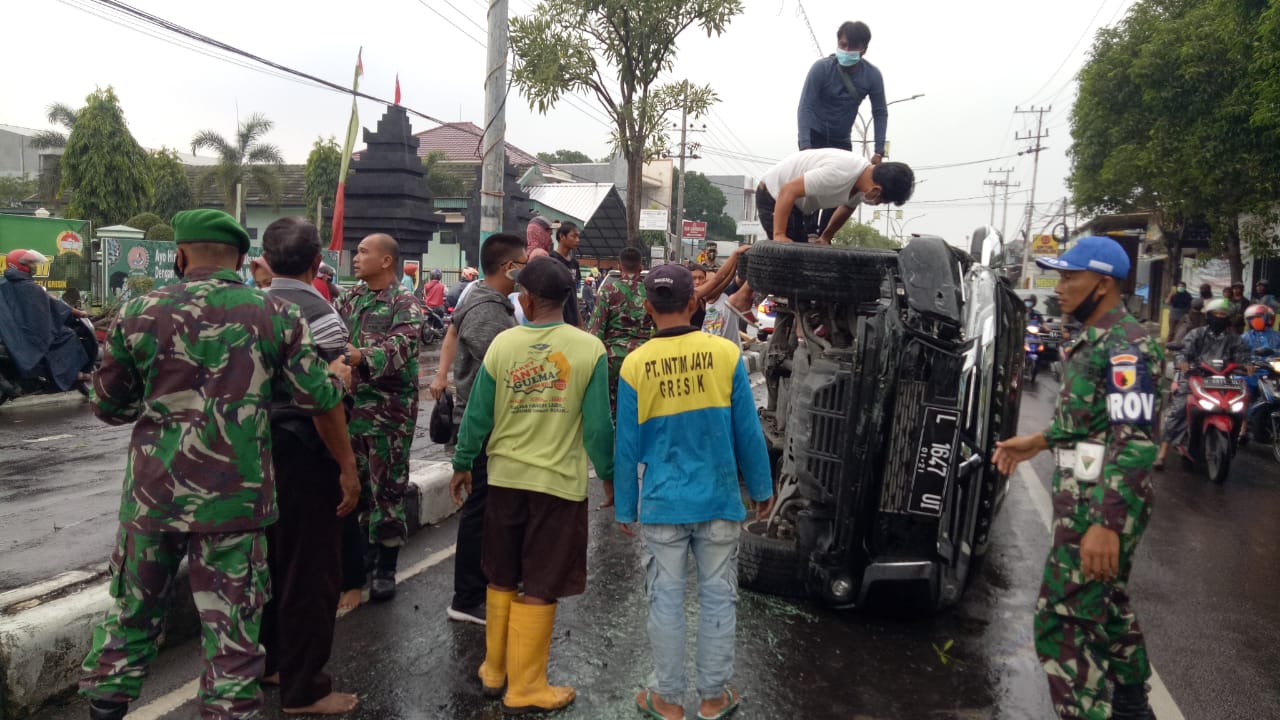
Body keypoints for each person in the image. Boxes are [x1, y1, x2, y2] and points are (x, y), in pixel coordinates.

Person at [78, 209, 350, 720]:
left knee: (133, 616)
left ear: (180, 255)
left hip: (152, 497)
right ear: (244, 259)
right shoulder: (276, 314)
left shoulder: (138, 310)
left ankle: (106, 709)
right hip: (236, 501)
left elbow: (109, 408)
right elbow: (315, 397)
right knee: (231, 631)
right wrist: (338, 374)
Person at [991, 236, 1163, 720]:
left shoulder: (1126, 346)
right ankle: (1131, 704)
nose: (1059, 286)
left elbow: (1133, 440)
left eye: (1070, 277)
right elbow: (1090, 422)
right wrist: (1038, 441)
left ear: (1103, 284)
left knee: (1061, 624)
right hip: (1087, 496)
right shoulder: (1092, 337)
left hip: (1102, 503)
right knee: (1106, 603)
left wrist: (1106, 523)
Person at [448, 256, 614, 714]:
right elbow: (599, 427)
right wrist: (612, 478)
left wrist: (463, 462)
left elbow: (478, 413)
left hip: (504, 479)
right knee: (541, 580)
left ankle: (494, 669)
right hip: (557, 485)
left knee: (501, 571)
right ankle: (527, 686)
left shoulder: (503, 344)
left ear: (525, 299)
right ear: (566, 300)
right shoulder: (589, 349)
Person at [613, 263, 774, 720]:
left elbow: (626, 445)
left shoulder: (635, 365)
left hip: (663, 502)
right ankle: (712, 697)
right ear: (695, 303)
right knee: (719, 595)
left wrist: (626, 506)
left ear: (647, 308)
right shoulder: (724, 355)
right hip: (720, 498)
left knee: (665, 597)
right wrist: (761, 487)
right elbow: (748, 430)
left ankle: (666, 698)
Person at [259, 216, 362, 715]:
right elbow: (325, 404)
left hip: (253, 453)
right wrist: (347, 464)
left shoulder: (250, 307)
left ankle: (273, 661)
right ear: (317, 262)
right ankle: (305, 689)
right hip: (304, 452)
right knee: (310, 571)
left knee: (270, 562)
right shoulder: (320, 315)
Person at [442, 233, 526, 626]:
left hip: (491, 424)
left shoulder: (493, 303)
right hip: (480, 425)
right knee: (478, 512)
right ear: (509, 267)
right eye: (522, 262)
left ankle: (486, 582)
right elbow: (507, 367)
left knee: (490, 510)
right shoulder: (485, 309)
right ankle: (467, 596)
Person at [335, 233, 424, 602]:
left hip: (389, 413)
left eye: (363, 252)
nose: (356, 258)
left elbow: (401, 345)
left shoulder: (405, 302)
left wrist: (358, 358)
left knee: (388, 488)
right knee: (359, 488)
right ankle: (366, 557)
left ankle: (386, 564)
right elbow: (327, 334)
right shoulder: (350, 298)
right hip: (352, 410)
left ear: (386, 261)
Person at [797, 20, 887, 236]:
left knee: (840, 188)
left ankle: (824, 235)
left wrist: (879, 150)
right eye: (843, 45)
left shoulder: (872, 76)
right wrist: (805, 145)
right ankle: (807, 231)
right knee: (811, 185)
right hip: (815, 137)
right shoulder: (821, 69)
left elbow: (880, 112)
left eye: (852, 47)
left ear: (863, 49)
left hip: (841, 140)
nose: (846, 51)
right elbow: (805, 106)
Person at [1154, 297, 1249, 468]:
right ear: (1209, 315)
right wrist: (1183, 362)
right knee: (1180, 409)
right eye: (1217, 314)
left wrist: (1248, 365)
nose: (1220, 317)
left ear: (1229, 318)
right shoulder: (1197, 334)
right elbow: (1183, 351)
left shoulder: (1235, 339)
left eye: (1224, 314)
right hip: (1195, 377)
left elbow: (1243, 357)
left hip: (1223, 380)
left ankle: (1235, 440)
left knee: (1239, 405)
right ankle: (1162, 452)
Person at [755, 149, 914, 243]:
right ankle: (740, 295)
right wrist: (779, 235)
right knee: (785, 258)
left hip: (795, 206)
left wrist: (826, 236)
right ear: (876, 190)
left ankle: (741, 296)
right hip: (773, 194)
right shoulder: (840, 173)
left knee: (799, 258)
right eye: (882, 201)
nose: (878, 204)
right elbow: (788, 190)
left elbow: (846, 207)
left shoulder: (862, 183)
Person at [0, 248, 91, 398]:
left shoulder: (4, 283)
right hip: (31, 333)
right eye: (30, 263)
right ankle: (72, 373)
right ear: (19, 265)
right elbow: (53, 306)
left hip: (12, 333)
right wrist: (78, 313)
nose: (33, 266)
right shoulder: (29, 287)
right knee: (68, 335)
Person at [586, 246, 654, 419]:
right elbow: (658, 329)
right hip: (644, 359)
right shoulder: (651, 294)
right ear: (640, 267)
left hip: (613, 360)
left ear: (619, 266)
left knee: (612, 413)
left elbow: (595, 332)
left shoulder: (608, 291)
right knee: (641, 411)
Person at [692, 262, 754, 351]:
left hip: (731, 355)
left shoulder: (728, 295)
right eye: (706, 283)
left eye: (712, 283)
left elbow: (739, 279)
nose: (698, 282)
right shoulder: (693, 305)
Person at [550, 221, 584, 327]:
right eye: (573, 236)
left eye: (578, 237)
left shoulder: (574, 263)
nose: (577, 240)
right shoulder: (551, 260)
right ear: (561, 236)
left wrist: (580, 323)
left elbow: (574, 293)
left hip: (572, 319)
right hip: (555, 318)